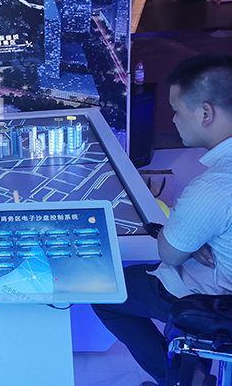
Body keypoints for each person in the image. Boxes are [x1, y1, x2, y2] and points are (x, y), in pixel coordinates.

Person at [93, 53, 232, 386]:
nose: (173, 120)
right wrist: (195, 238)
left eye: (177, 110)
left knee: (107, 295)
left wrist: (185, 239)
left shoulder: (213, 187)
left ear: (205, 113)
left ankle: (183, 379)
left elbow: (170, 254)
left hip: (216, 300)